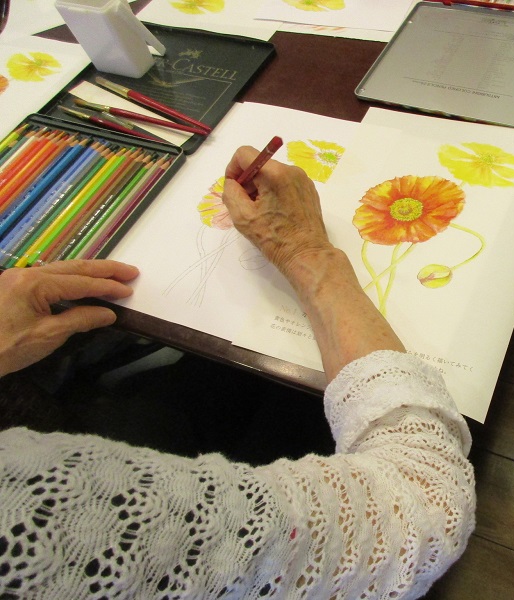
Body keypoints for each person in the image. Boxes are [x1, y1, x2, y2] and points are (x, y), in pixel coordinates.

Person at [0, 147, 476, 598]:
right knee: (272, 405)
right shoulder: (41, 513)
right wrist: (304, 252)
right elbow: (425, 512)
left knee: (204, 388)